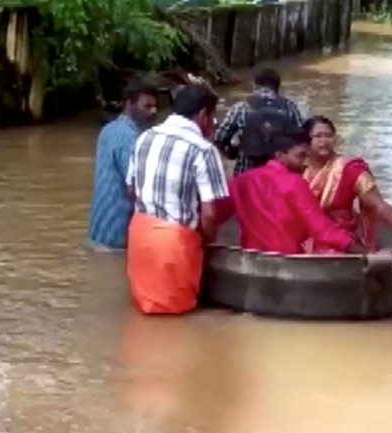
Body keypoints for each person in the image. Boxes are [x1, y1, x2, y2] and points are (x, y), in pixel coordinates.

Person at [215, 127, 392, 265]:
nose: (306, 163)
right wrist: (368, 254)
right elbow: (324, 231)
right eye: (300, 156)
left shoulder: (240, 181)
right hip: (289, 263)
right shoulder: (295, 183)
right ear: (279, 155)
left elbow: (214, 214)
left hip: (250, 261)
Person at [126, 84, 229, 315]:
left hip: (139, 237)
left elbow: (131, 189)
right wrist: (207, 242)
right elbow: (210, 213)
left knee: (145, 312)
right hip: (174, 243)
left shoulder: (144, 137)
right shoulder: (203, 149)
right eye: (213, 117)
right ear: (204, 115)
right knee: (177, 317)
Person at [302, 115, 392, 253]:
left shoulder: (350, 169)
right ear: (306, 141)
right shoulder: (298, 169)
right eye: (318, 136)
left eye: (329, 136)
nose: (324, 141)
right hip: (305, 235)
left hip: (341, 237)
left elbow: (378, 205)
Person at [87, 79, 158, 251]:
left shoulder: (108, 130)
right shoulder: (132, 139)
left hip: (98, 229)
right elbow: (137, 187)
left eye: (155, 106)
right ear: (130, 104)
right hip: (118, 235)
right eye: (147, 106)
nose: (153, 112)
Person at [214, 68, 304, 176]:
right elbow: (302, 139)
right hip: (280, 173)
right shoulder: (290, 107)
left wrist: (232, 152)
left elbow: (219, 137)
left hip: (247, 172)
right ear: (277, 87)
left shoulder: (241, 106)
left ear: (255, 85)